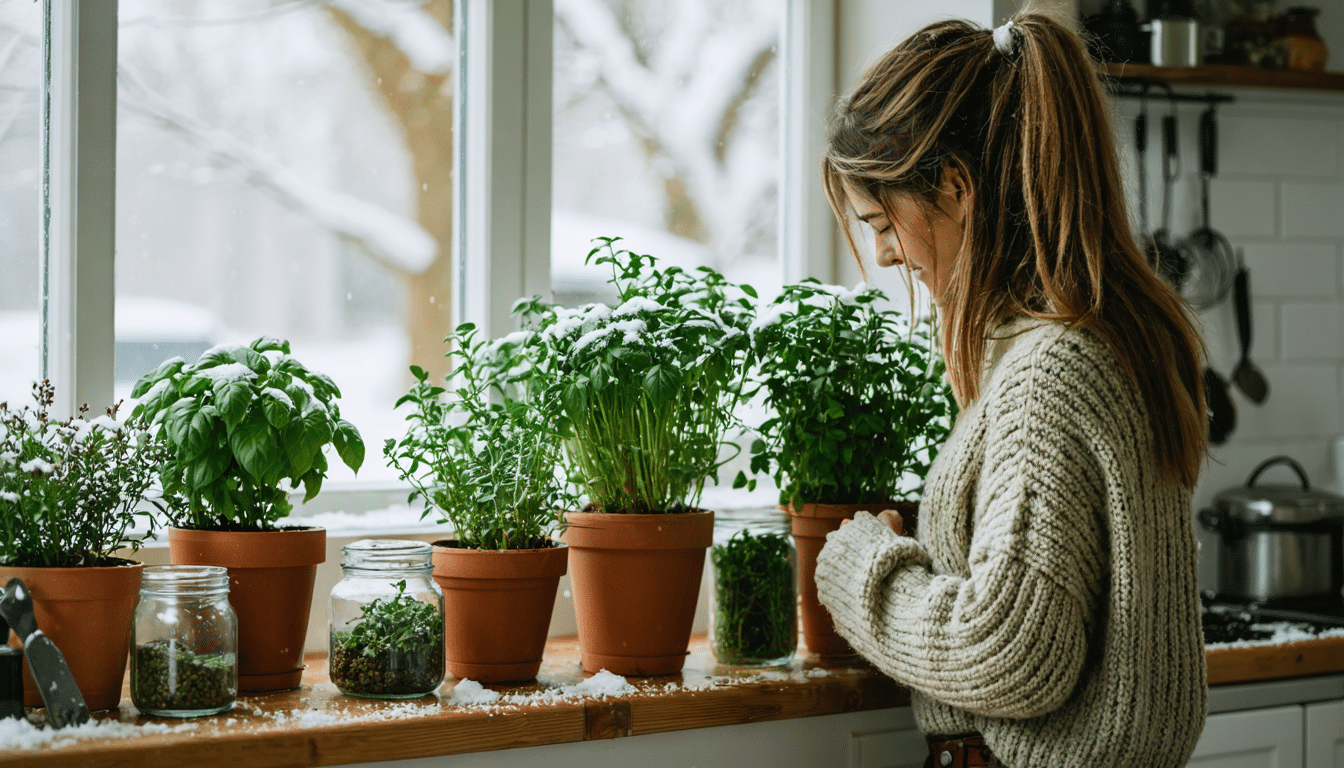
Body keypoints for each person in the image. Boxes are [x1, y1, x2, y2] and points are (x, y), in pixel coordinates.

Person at [814, 12, 1208, 768]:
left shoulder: (1048, 370)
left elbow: (1013, 649)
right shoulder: (1104, 336)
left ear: (955, 187)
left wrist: (860, 565)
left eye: (882, 221)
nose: (884, 254)